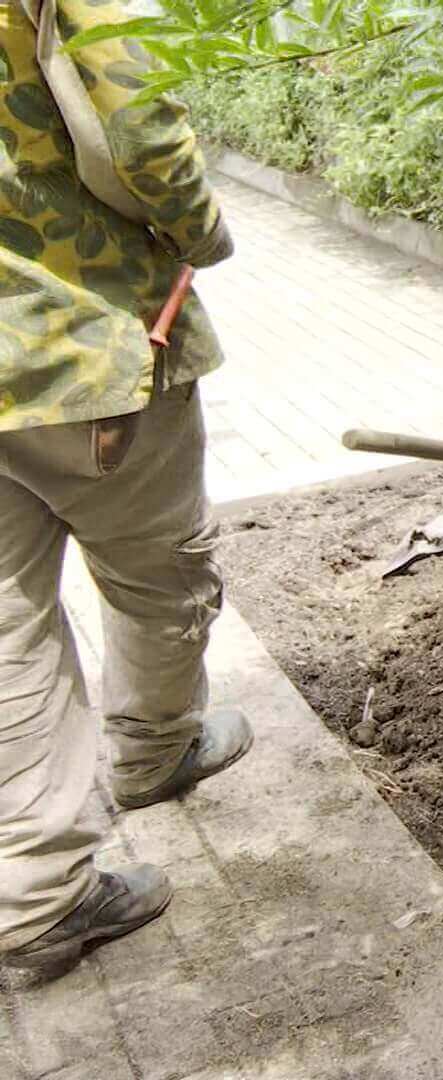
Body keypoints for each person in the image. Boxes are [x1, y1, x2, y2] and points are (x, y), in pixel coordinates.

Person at [0, 0, 250, 970]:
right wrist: (205, 232)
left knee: (11, 626)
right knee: (160, 574)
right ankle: (152, 752)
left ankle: (33, 897)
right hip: (79, 340)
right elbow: (139, 124)